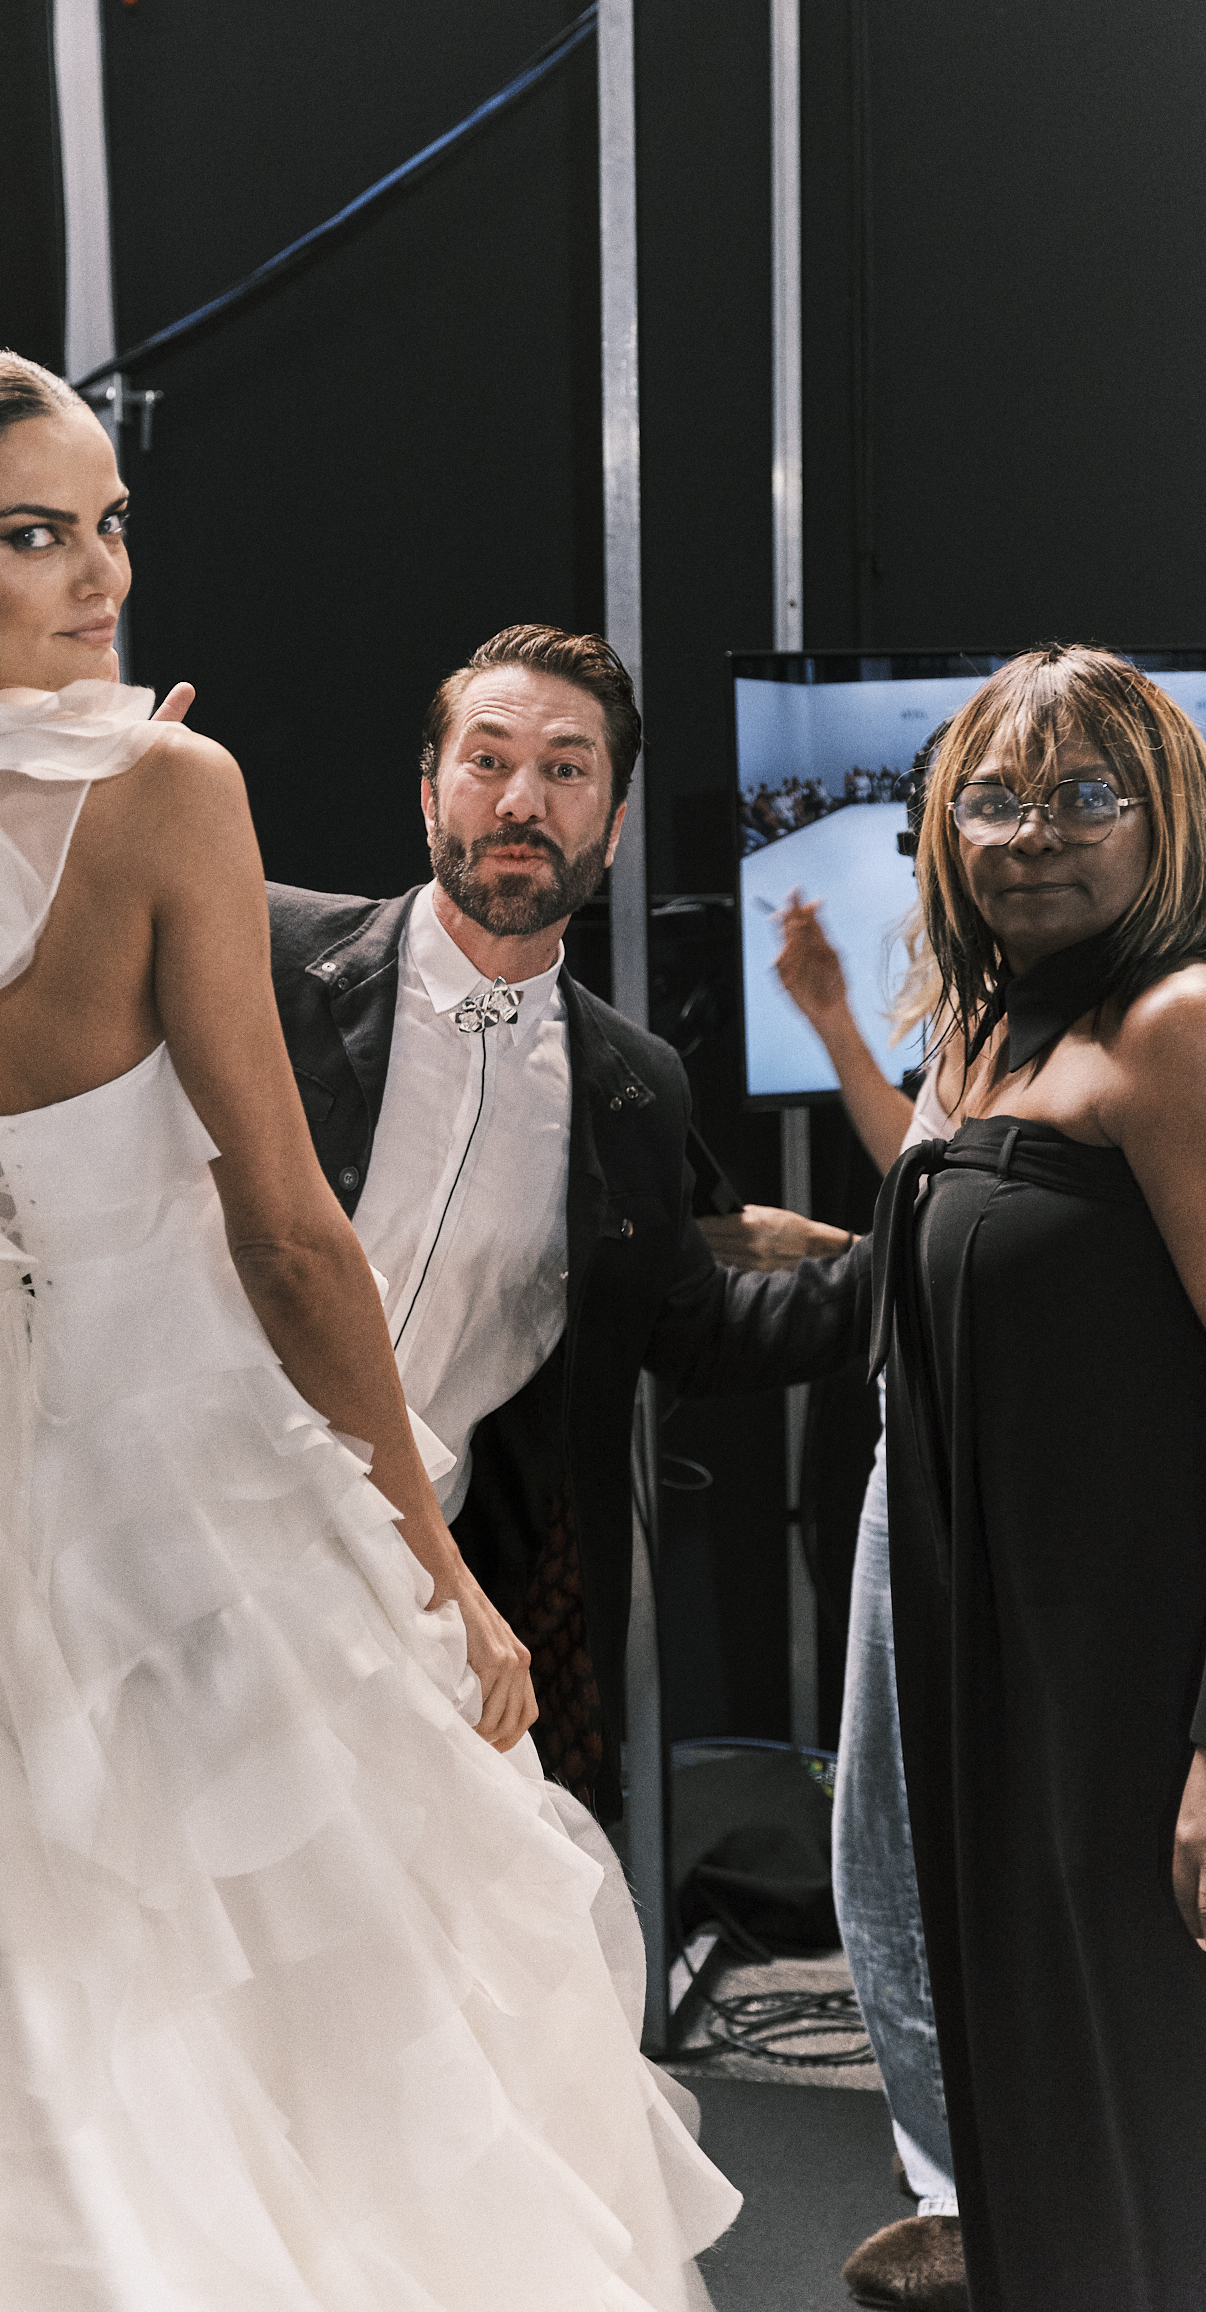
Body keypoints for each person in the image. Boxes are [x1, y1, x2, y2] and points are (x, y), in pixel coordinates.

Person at [0, 342, 749, 2308]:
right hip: (178, 1518)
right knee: (325, 2058)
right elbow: (289, 1237)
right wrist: (435, 1561)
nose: (102, 570)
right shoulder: (163, 794)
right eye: (36, 533)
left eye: (110, 522)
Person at [874, 645, 1206, 2310]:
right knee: (1062, 2090)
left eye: (1085, 795)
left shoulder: (1186, 1027)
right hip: (1027, 1671)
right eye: (993, 800)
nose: (1031, 834)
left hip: (1167, 1679)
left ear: (1167, 822)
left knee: (1203, 2115)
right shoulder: (984, 1039)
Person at [265, 624, 873, 1822]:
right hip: (195, 1542)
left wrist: (928, 1247)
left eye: (566, 769)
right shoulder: (271, 958)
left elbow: (698, 1330)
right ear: (429, 791)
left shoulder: (633, 1087)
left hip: (427, 1598)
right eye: (488, 761)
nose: (521, 801)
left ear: (615, 820)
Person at [763, 893, 965, 2312]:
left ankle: (994, 2186)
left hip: (1005, 1466)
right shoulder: (978, 1018)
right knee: (880, 1843)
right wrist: (835, 1021)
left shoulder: (1157, 1029)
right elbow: (933, 1176)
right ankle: (957, 2185)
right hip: (923, 1451)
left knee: (915, 1841)